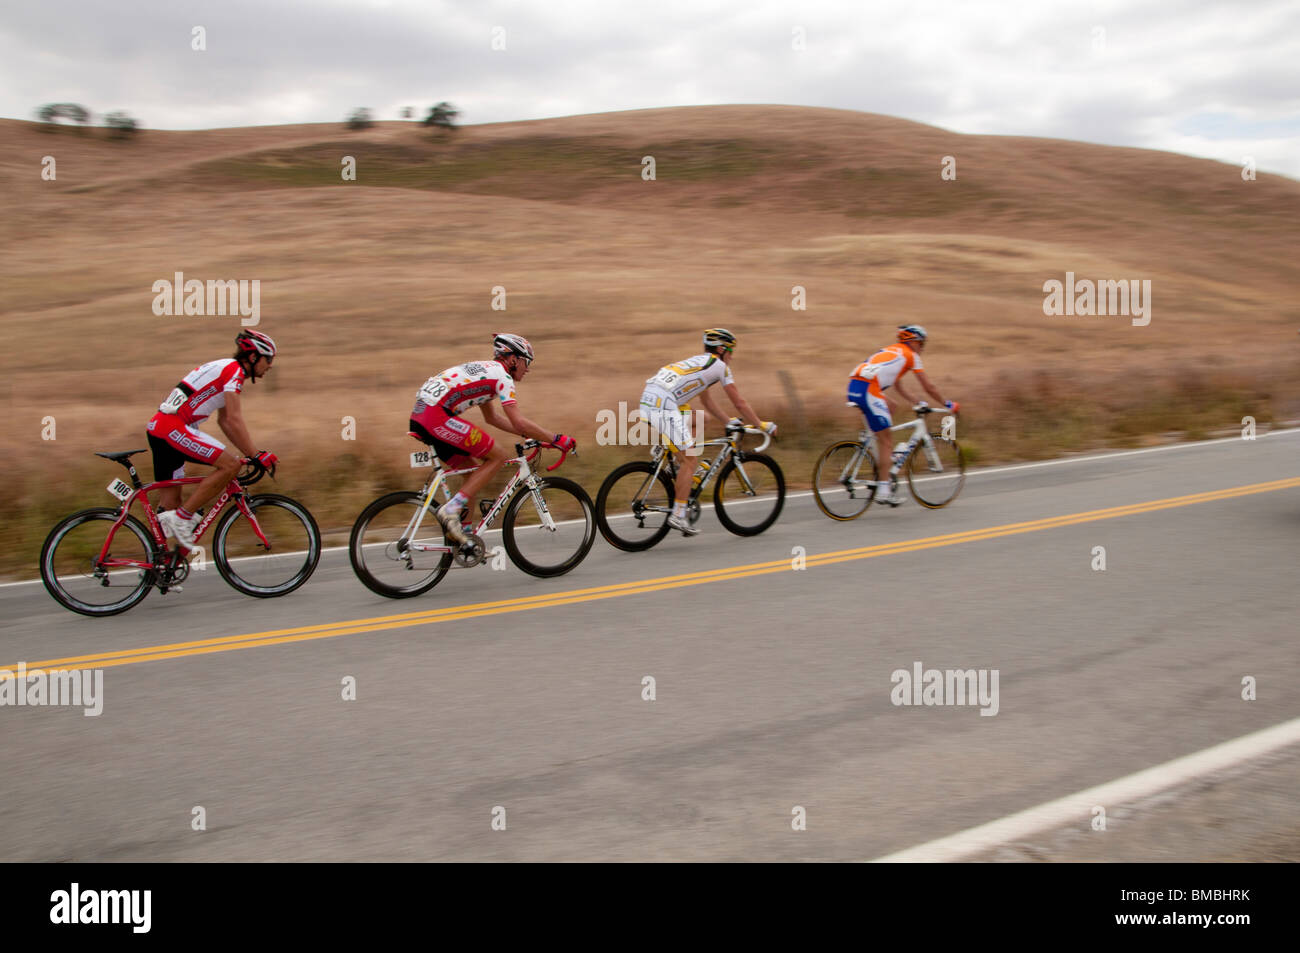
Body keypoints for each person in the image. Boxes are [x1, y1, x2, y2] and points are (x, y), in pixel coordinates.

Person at [410, 333, 576, 546]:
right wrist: (556, 439)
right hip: (435, 416)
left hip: (423, 415)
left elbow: (492, 418)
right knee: (498, 457)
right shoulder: (503, 377)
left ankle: (464, 537)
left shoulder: (487, 371)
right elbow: (518, 422)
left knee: (471, 471)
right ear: (513, 359)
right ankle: (450, 510)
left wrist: (531, 436)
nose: (528, 369)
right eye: (527, 362)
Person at [147, 330, 280, 550]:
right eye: (269, 359)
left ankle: (160, 569)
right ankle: (183, 517)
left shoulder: (227, 368)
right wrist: (255, 455)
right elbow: (235, 419)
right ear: (254, 357)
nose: (271, 366)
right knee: (230, 465)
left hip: (160, 427)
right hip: (173, 427)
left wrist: (251, 454)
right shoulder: (234, 371)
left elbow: (225, 421)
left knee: (169, 507)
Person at [638, 328, 776, 536]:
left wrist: (728, 421)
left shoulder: (701, 362)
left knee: (702, 419)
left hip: (651, 398)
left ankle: (674, 460)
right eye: (731, 351)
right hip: (664, 404)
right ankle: (678, 514)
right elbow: (739, 402)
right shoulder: (720, 367)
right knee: (691, 460)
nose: (732, 356)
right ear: (722, 349)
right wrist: (761, 424)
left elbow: (706, 401)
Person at [847, 324, 959, 506]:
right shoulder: (911, 356)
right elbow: (928, 386)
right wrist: (948, 404)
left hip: (855, 386)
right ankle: (884, 491)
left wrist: (917, 402)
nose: (922, 348)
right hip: (869, 389)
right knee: (887, 440)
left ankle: (877, 451)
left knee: (892, 406)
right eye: (921, 343)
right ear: (913, 341)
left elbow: (899, 387)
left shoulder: (895, 352)